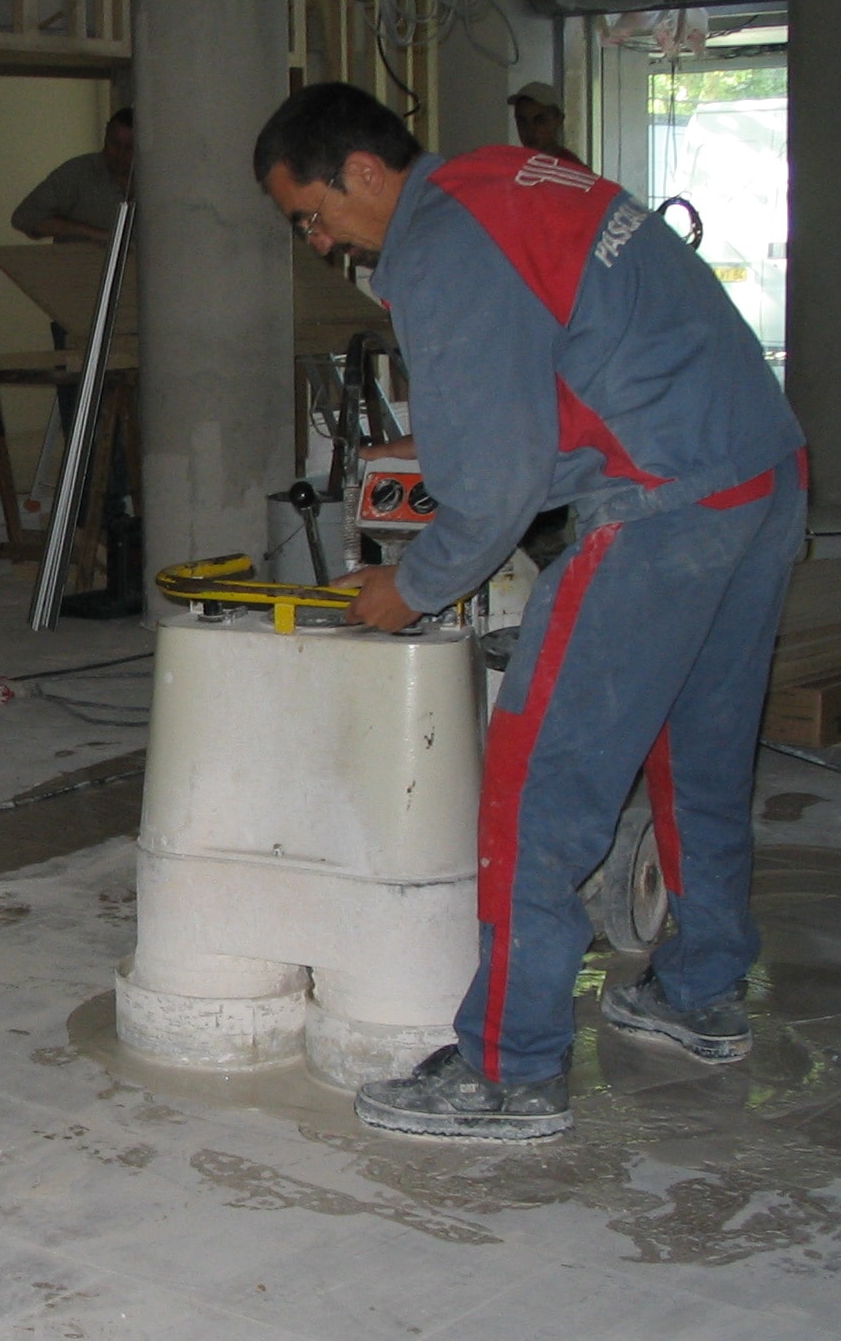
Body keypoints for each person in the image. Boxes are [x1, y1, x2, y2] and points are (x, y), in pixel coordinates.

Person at [252, 83, 805, 1140]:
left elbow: (494, 485)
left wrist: (409, 585)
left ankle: (507, 1067)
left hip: (660, 506)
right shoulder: (504, 181)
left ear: (360, 170)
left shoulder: (434, 244)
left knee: (537, 783)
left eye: (310, 214)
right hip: (758, 470)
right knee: (698, 753)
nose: (319, 241)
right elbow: (577, 370)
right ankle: (699, 989)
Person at [10, 107, 135, 244]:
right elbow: (25, 217)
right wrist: (90, 233)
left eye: (129, 147)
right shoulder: (78, 173)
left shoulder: (155, 183)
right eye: (114, 143)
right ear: (106, 133)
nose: (120, 154)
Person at [508, 80, 582, 165]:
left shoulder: (573, 169)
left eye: (539, 120)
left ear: (558, 120)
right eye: (522, 121)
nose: (530, 129)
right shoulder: (512, 166)